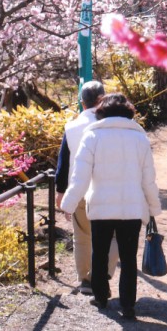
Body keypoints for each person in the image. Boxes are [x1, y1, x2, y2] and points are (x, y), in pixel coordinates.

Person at [59, 93, 162, 321]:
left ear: (101, 112)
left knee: (99, 252)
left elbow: (80, 177)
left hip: (101, 207)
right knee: (128, 258)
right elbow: (148, 179)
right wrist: (154, 207)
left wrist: (68, 203)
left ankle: (101, 296)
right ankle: (128, 306)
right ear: (128, 112)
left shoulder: (92, 136)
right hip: (132, 208)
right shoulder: (140, 139)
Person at [54, 81, 118, 294]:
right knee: (111, 235)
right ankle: (105, 275)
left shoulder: (72, 127)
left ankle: (86, 279)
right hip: (108, 188)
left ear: (82, 102)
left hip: (79, 189)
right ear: (103, 98)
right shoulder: (113, 124)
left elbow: (63, 162)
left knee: (82, 236)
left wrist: (61, 191)